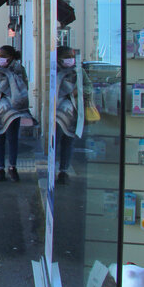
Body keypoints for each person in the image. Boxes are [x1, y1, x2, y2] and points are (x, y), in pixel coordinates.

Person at [0, 45, 34, 182]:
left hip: (14, 109)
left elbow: (24, 87)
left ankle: (13, 167)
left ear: (11, 57)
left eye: (3, 56)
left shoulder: (19, 69)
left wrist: (13, 92)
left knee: (13, 138)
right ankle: (0, 169)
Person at [54, 46, 93, 184]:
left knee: (68, 142)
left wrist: (78, 91)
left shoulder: (78, 71)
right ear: (59, 58)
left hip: (72, 114)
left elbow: (88, 86)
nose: (70, 59)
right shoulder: (54, 71)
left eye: (71, 57)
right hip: (56, 114)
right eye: (67, 57)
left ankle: (63, 171)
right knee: (55, 142)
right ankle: (52, 169)